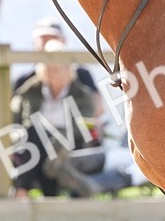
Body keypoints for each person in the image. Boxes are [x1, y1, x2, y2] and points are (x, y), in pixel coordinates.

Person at [11, 41, 131, 197]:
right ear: (43, 70)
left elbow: (82, 126)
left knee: (53, 150)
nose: (55, 71)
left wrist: (56, 137)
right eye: (51, 67)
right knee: (36, 136)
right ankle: (28, 192)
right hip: (38, 144)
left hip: (70, 144)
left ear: (69, 69)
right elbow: (24, 122)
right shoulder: (30, 91)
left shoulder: (82, 94)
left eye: (60, 67)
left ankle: (29, 193)